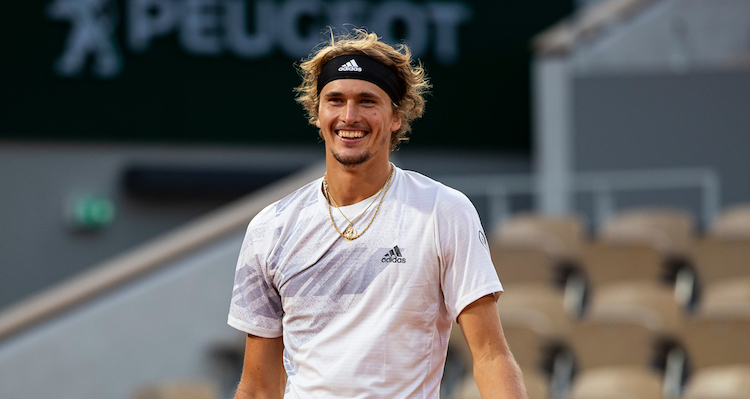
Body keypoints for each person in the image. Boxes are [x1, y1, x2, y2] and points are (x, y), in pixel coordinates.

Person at [228, 29, 528, 399]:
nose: (349, 116)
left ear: (397, 117)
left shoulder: (443, 211)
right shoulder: (269, 228)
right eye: (334, 100)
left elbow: (489, 357)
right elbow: (258, 387)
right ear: (317, 113)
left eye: (367, 101)